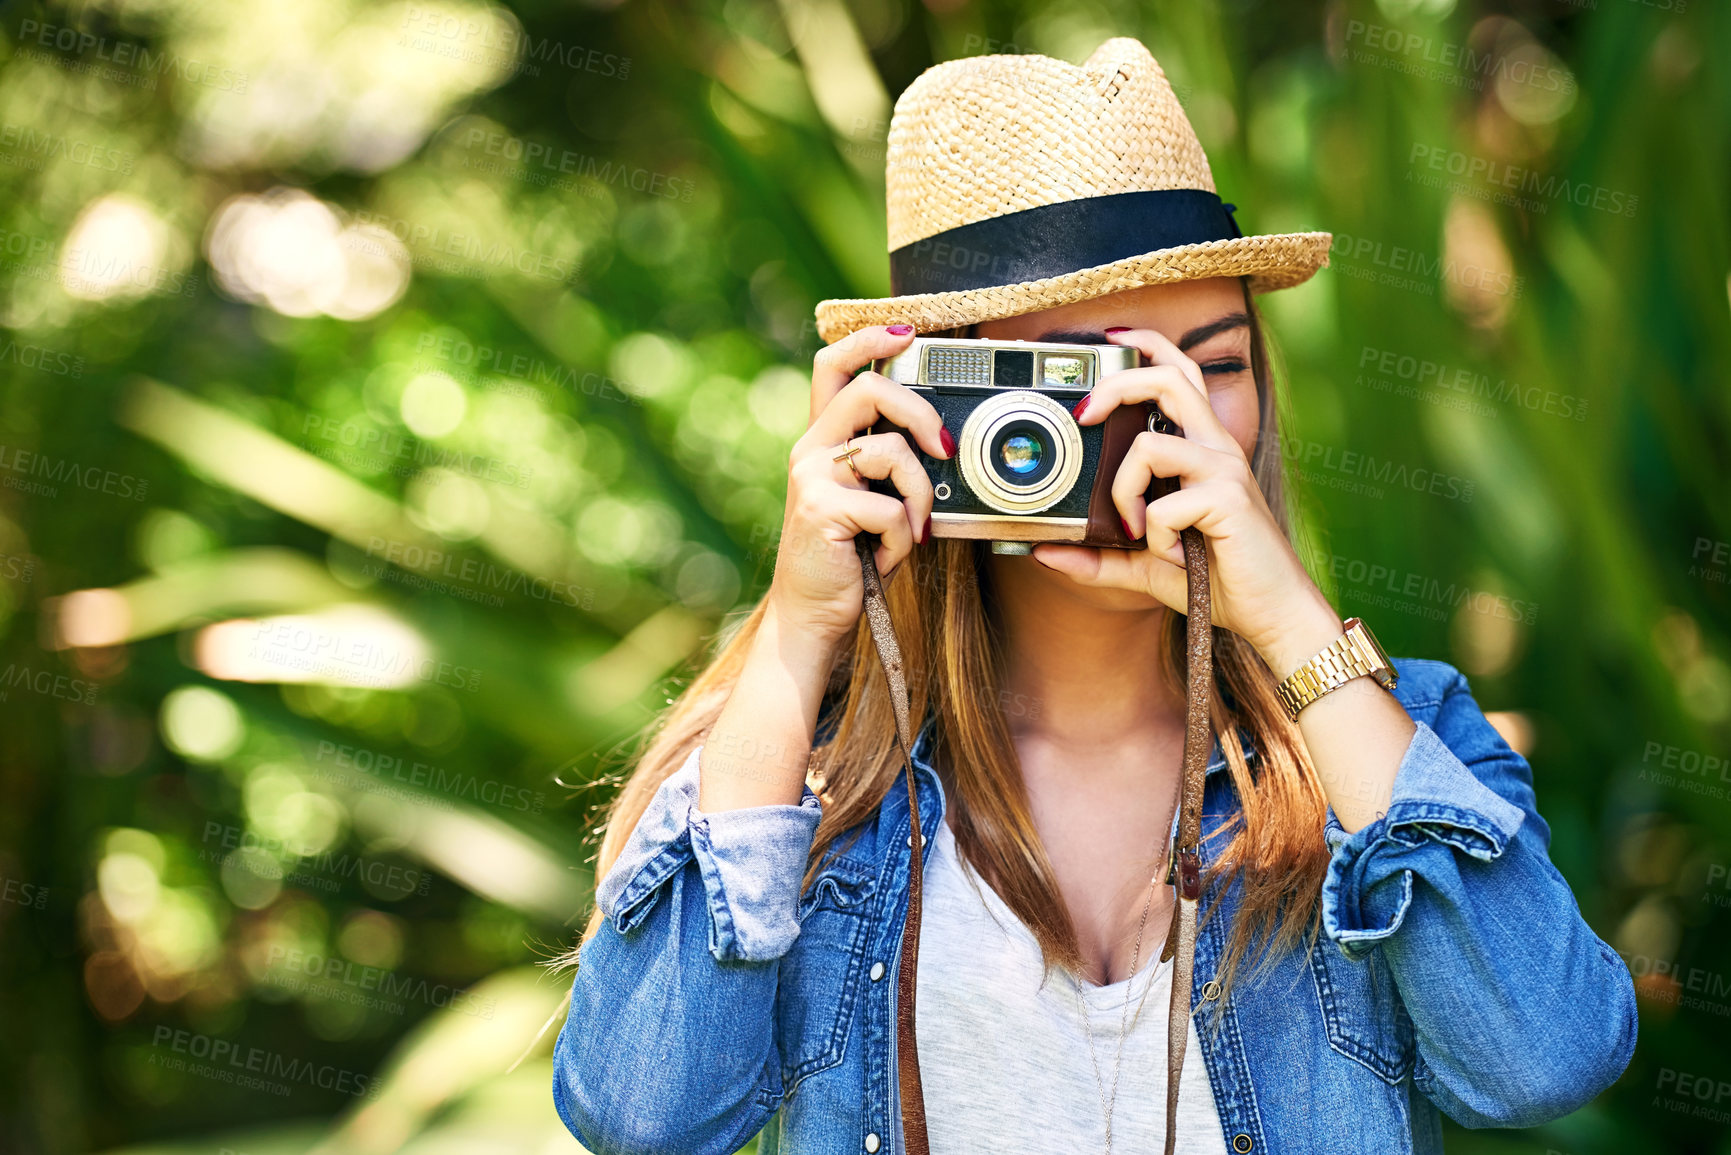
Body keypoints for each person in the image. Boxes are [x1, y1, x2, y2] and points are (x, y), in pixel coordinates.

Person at [551, 36, 1636, 1155]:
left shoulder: (1392, 742)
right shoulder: (811, 782)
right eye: (1080, 379)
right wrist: (797, 630)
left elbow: (1542, 1064)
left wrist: (1288, 621)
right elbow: (643, 1119)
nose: (1165, 424)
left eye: (1211, 365)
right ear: (930, 401)